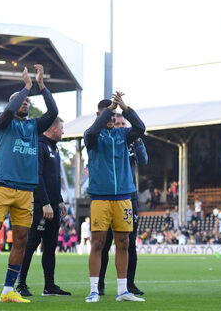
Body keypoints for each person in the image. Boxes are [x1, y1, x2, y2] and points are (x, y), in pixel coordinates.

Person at [0, 65, 58, 304]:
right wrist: (26, 88)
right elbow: (10, 108)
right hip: (3, 187)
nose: (25, 103)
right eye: (22, 101)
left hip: (26, 191)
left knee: (21, 239)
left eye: (28, 102)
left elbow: (53, 112)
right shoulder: (3, 123)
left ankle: (8, 290)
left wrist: (41, 86)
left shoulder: (32, 127)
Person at [83, 92, 146, 303]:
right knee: (98, 243)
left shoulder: (122, 135)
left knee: (123, 242)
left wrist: (124, 108)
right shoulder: (91, 136)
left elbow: (140, 128)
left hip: (123, 197)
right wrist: (110, 109)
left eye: (113, 115)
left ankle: (122, 291)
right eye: (107, 115)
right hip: (100, 196)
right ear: (99, 114)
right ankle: (93, 290)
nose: (111, 118)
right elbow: (95, 128)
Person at [17, 117, 70, 297]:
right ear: (53, 128)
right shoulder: (39, 146)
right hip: (41, 206)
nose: (63, 131)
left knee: (50, 245)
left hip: (54, 205)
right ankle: (20, 284)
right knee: (31, 244)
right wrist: (45, 203)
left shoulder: (54, 148)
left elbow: (53, 179)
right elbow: (37, 177)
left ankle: (49, 286)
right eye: (62, 128)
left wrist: (60, 200)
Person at [98, 113, 148, 296]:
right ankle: (100, 284)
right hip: (108, 196)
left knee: (130, 242)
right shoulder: (104, 142)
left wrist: (138, 141)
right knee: (104, 243)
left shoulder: (133, 144)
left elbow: (144, 161)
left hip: (130, 196)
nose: (120, 126)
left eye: (123, 124)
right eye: (117, 123)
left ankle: (130, 284)